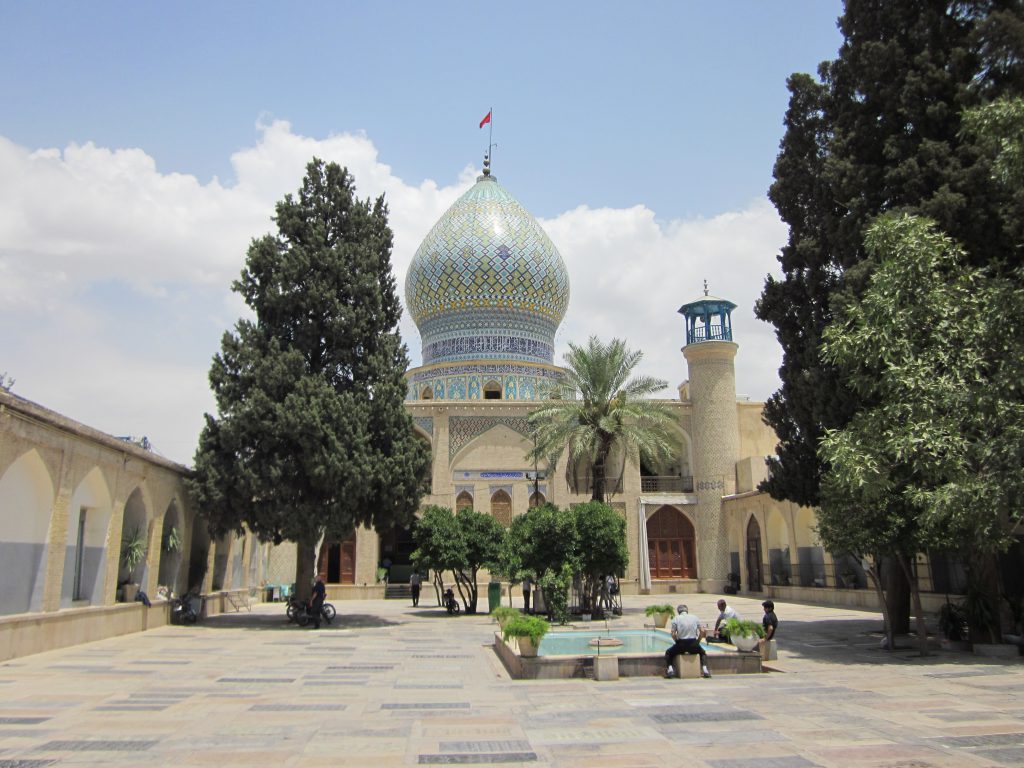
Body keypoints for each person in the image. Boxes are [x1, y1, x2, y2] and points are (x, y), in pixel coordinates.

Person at [664, 604, 710, 679]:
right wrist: (698, 641)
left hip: (681, 644)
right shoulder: (695, 618)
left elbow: (673, 633)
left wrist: (677, 642)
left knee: (668, 653)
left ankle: (670, 670)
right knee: (702, 653)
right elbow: (702, 631)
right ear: (687, 611)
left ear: (678, 612)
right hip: (693, 643)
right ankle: (705, 670)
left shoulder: (676, 618)